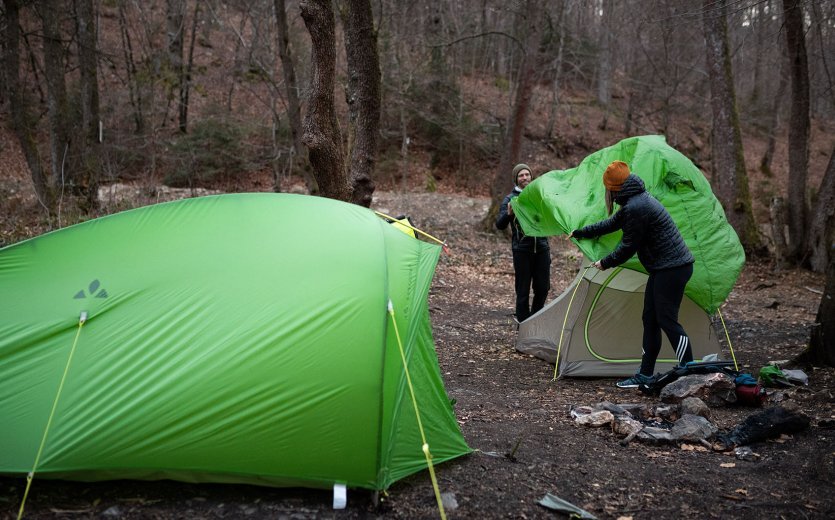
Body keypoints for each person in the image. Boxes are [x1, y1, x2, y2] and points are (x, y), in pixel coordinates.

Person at [569, 160, 695, 388]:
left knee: (667, 320)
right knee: (650, 319)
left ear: (613, 188)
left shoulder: (637, 206)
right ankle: (645, 374)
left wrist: (605, 262)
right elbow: (611, 224)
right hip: (664, 267)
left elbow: (628, 246)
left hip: (674, 268)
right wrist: (581, 232)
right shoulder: (633, 200)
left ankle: (690, 371)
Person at [496, 163, 551, 325]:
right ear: (516, 179)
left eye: (527, 174)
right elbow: (499, 225)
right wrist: (508, 214)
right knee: (522, 291)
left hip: (542, 249)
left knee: (542, 288)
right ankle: (524, 326)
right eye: (521, 175)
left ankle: (534, 321)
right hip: (522, 251)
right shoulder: (510, 199)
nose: (525, 177)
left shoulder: (538, 196)